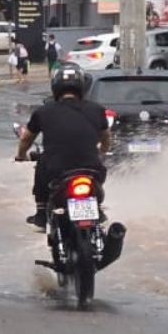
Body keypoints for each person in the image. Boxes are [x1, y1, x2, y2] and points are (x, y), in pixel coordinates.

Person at [15, 66, 110, 230]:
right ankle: (98, 209)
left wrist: (21, 155)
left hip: (57, 171)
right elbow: (106, 138)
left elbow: (26, 139)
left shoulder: (43, 111)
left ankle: (41, 213)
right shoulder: (97, 110)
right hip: (92, 169)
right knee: (99, 171)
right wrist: (102, 153)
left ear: (55, 87)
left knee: (42, 163)